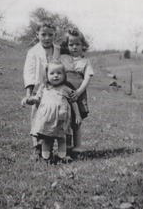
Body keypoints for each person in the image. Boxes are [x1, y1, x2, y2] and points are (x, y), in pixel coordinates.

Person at [22, 61, 82, 163]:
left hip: (61, 120)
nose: (55, 76)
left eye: (59, 73)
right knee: (47, 138)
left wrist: (77, 115)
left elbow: (74, 102)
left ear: (64, 75)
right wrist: (28, 100)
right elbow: (37, 98)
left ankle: (62, 157)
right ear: (46, 75)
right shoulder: (44, 88)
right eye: (52, 73)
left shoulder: (66, 89)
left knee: (62, 138)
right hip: (47, 119)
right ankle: (46, 158)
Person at [23, 19, 61, 159]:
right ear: (37, 34)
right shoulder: (33, 52)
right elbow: (29, 72)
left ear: (54, 35)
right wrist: (29, 93)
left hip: (55, 91)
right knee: (38, 118)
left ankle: (48, 147)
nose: (47, 38)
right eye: (43, 34)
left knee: (51, 117)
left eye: (50, 35)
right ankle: (37, 147)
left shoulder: (58, 50)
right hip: (39, 90)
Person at [60, 28, 94, 152]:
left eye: (77, 44)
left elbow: (87, 79)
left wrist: (79, 92)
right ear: (66, 45)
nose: (74, 47)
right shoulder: (63, 59)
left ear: (83, 45)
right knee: (65, 120)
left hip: (77, 94)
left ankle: (77, 147)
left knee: (76, 122)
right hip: (64, 95)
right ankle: (65, 146)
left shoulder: (85, 62)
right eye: (71, 44)